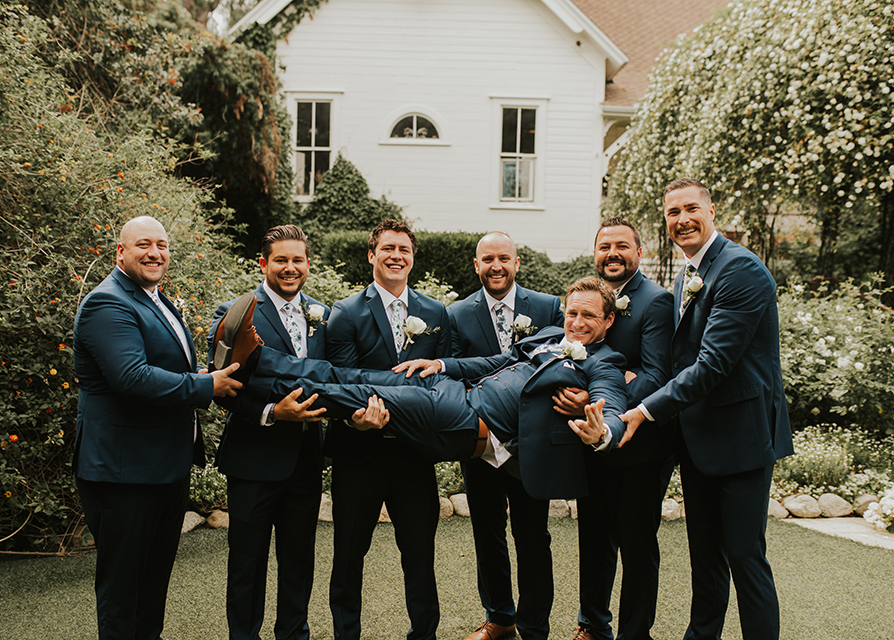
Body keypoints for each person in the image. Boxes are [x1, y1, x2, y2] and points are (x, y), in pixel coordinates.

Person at [244, 277, 627, 493]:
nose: (576, 322)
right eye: (572, 312)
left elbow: (611, 404)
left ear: (609, 321)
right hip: (453, 391)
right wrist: (440, 363)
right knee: (359, 375)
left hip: (469, 421)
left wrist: (602, 432)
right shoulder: (547, 333)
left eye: (588, 315)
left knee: (362, 394)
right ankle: (257, 360)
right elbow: (497, 362)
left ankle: (254, 387)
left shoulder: (605, 361)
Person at [620, 179, 794, 640]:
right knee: (705, 556)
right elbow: (680, 357)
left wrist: (643, 411)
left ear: (711, 210)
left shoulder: (740, 270)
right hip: (698, 439)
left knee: (744, 557)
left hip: (740, 438)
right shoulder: (686, 275)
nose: (682, 220)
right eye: (672, 212)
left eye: (690, 208)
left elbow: (712, 364)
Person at [73, 216, 243, 640]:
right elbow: (131, 377)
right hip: (124, 471)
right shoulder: (107, 303)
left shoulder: (155, 298)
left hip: (164, 467)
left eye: (162, 245)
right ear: (121, 252)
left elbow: (163, 367)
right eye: (143, 244)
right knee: (123, 591)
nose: (155, 253)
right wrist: (206, 385)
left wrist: (205, 374)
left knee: (152, 587)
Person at [323, 219, 451, 640]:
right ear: (371, 255)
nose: (396, 256)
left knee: (419, 553)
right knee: (348, 554)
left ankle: (424, 634)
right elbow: (342, 378)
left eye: (404, 250)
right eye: (388, 249)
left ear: (412, 258)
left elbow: (443, 381)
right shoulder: (345, 312)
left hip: (414, 455)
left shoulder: (434, 313)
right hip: (359, 451)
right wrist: (354, 416)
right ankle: (347, 634)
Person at [207, 225, 331, 640]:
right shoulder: (236, 312)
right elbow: (221, 386)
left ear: (308, 264)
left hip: (305, 460)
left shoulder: (323, 315)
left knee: (299, 562)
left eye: (298, 260)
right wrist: (271, 412)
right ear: (263, 264)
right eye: (281, 260)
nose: (290, 268)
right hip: (253, 459)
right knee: (247, 563)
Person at [557, 218, 673, 640]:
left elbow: (657, 375)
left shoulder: (656, 301)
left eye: (622, 246)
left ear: (638, 253)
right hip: (592, 442)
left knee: (637, 546)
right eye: (604, 246)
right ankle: (592, 626)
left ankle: (634, 634)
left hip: (641, 446)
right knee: (594, 538)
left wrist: (601, 398)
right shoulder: (585, 300)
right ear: (595, 253)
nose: (612, 253)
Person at [447, 232, 563, 640]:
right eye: (487, 259)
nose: (496, 266)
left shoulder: (548, 307)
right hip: (479, 441)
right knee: (487, 530)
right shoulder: (457, 313)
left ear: (517, 263)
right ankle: (499, 617)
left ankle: (534, 626)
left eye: (504, 258)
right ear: (476, 265)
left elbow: (559, 367)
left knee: (534, 534)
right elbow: (454, 375)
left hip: (532, 442)